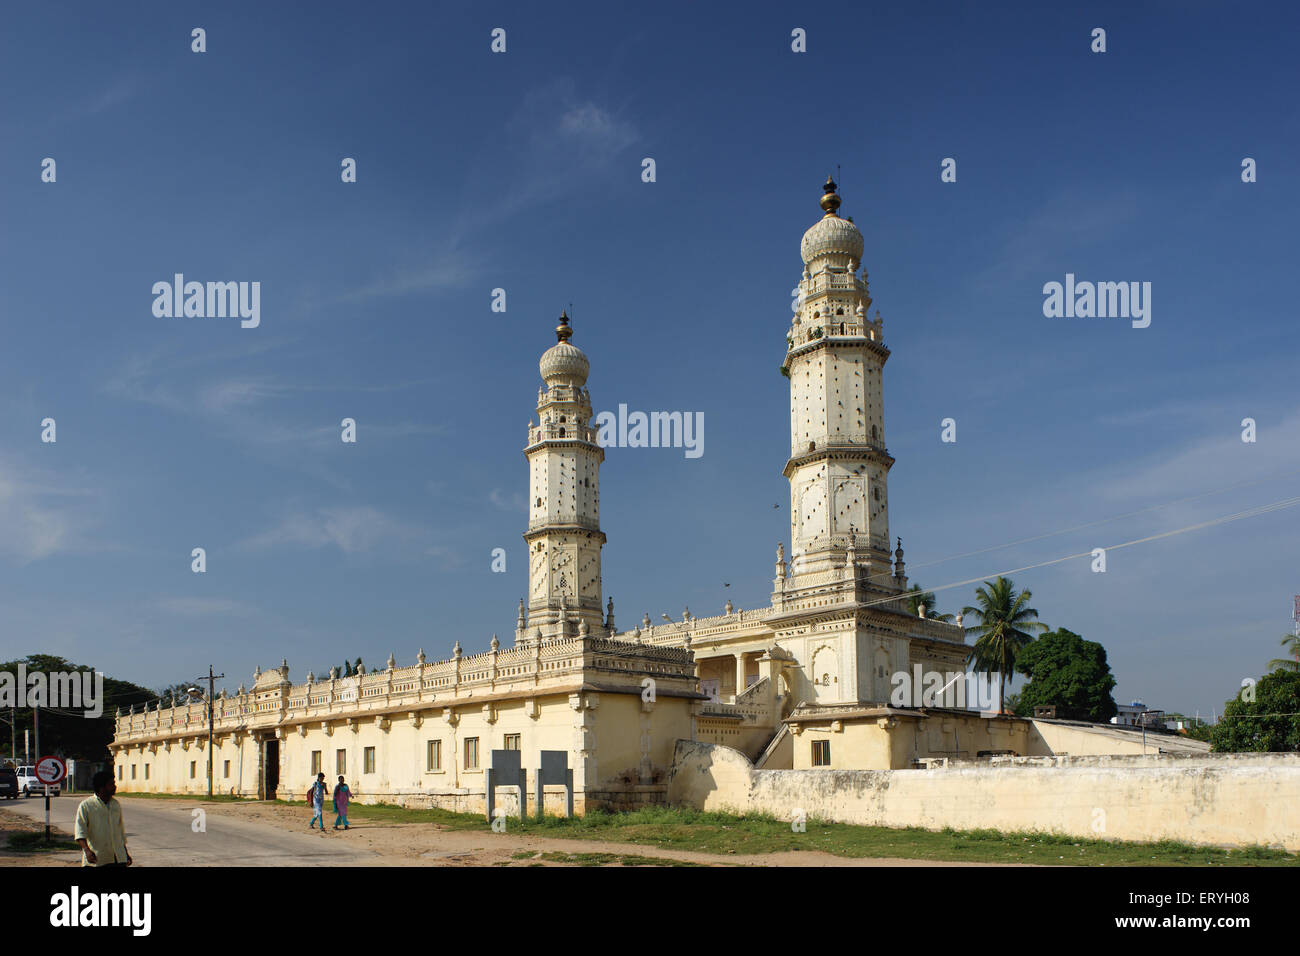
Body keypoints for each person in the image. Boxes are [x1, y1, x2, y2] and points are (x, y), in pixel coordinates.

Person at [74, 770, 132, 867]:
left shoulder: (115, 805)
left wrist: (125, 853)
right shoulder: (86, 806)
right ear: (101, 788)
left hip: (118, 858)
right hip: (97, 858)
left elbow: (120, 833)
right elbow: (80, 832)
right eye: (111, 784)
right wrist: (87, 851)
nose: (115, 787)